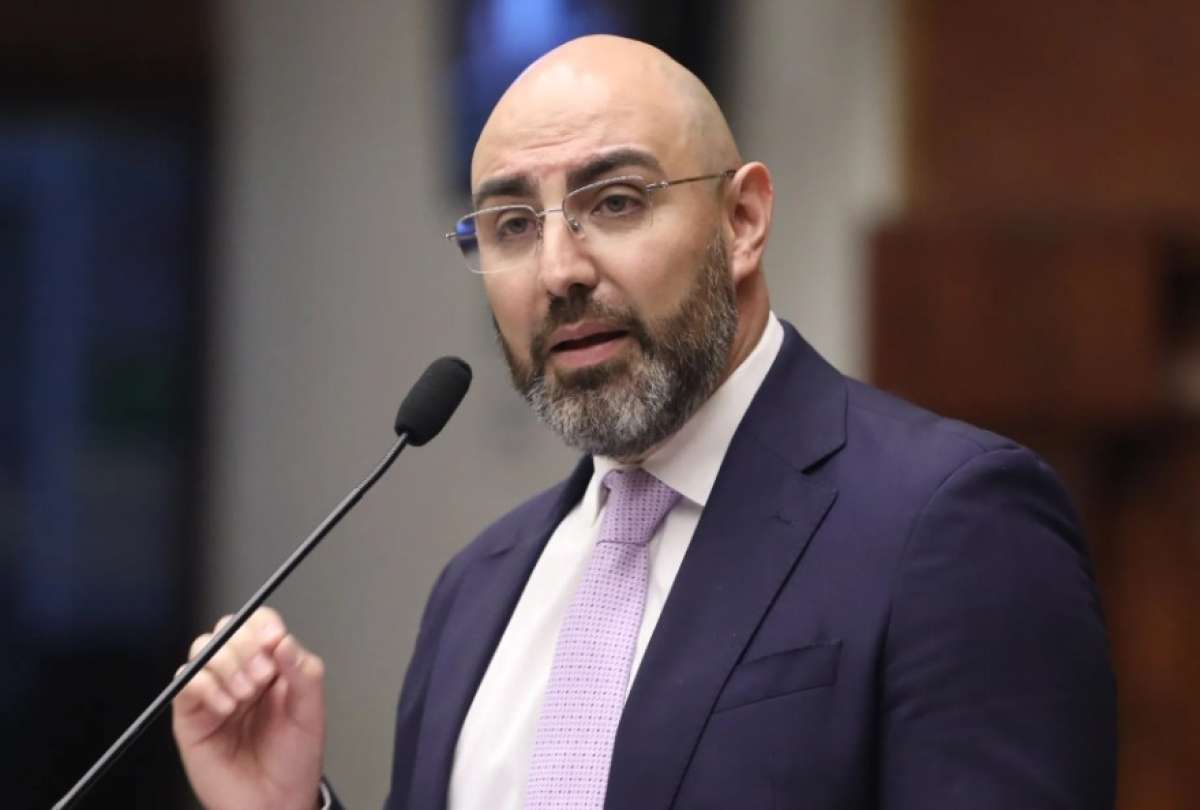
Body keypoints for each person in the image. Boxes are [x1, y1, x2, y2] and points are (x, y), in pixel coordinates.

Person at [171, 35, 1117, 810]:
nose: (558, 271)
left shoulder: (946, 524)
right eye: (509, 225)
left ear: (743, 219)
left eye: (614, 203)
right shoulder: (475, 593)